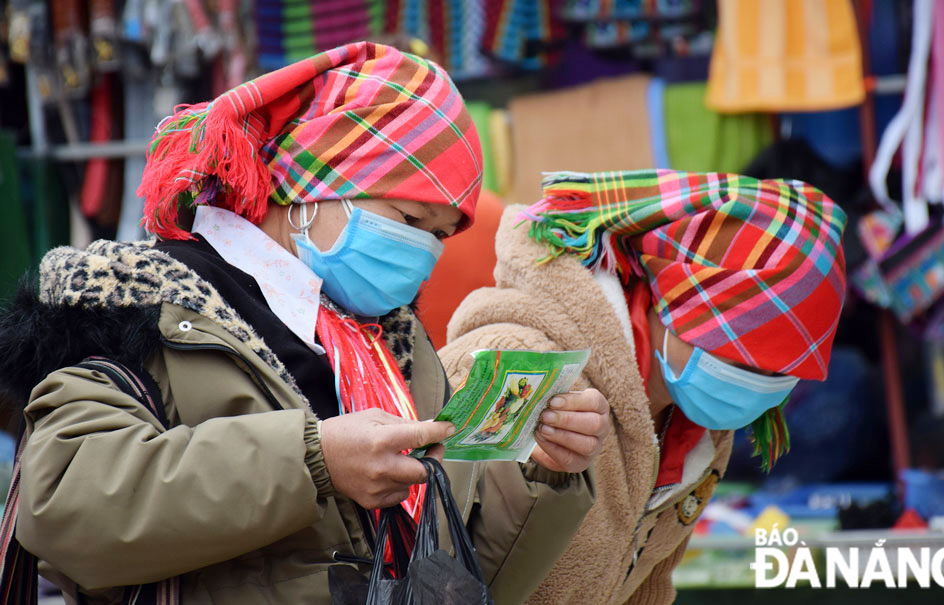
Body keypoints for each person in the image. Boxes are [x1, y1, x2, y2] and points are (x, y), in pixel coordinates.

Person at [0, 43, 610, 603]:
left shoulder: (388, 344)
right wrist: (312, 461)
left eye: (441, 235)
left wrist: (544, 474)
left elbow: (452, 573)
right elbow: (62, 506)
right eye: (409, 219)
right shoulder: (136, 308)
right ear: (317, 187)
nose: (425, 253)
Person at [440, 169, 848, 604]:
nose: (753, 384)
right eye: (737, 357)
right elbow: (419, 531)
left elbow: (649, 584)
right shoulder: (524, 366)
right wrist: (542, 473)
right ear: (669, 301)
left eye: (780, 373)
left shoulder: (697, 432)